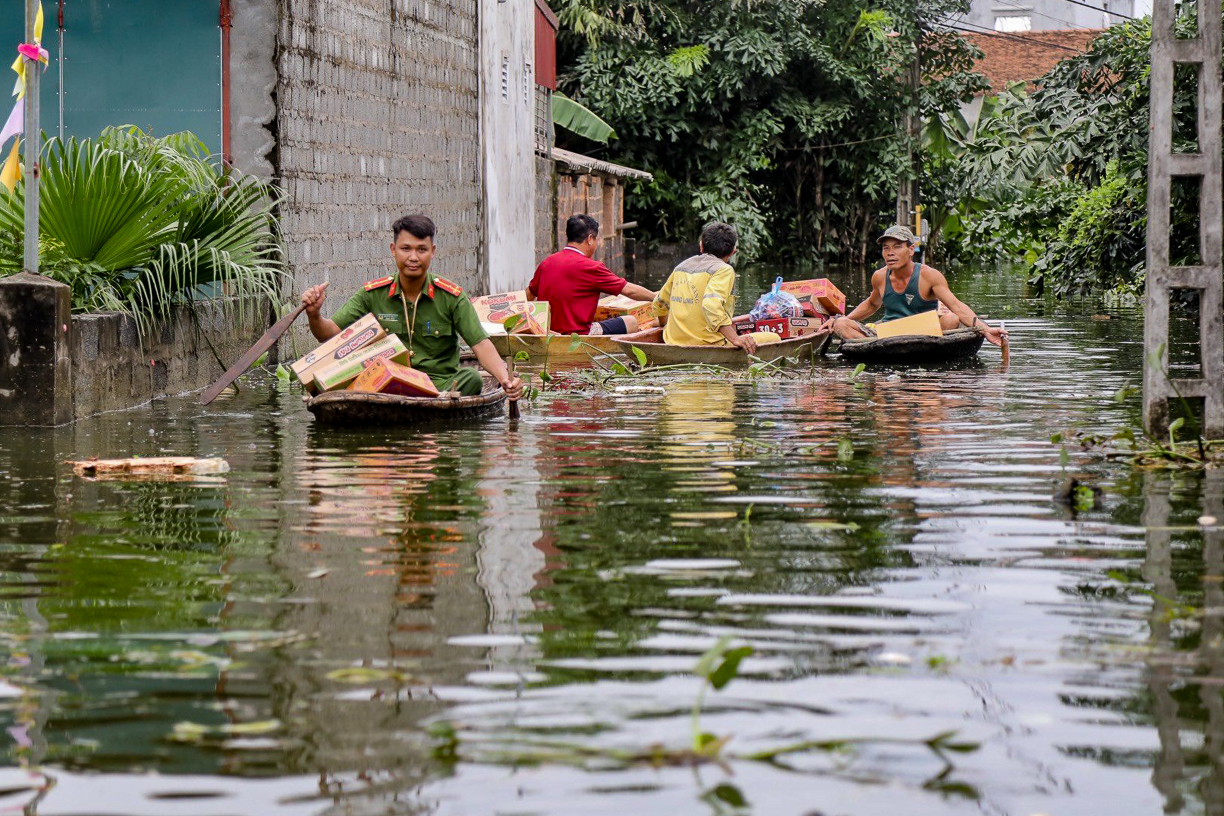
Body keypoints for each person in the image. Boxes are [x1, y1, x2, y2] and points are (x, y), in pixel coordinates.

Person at [299, 214, 523, 399]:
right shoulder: (372, 294)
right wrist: (314, 314)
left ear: (432, 251)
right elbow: (328, 336)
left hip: (438, 385)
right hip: (387, 384)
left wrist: (505, 379)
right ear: (393, 249)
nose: (413, 257)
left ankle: (433, 399)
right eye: (406, 248)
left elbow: (481, 345)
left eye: (421, 249)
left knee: (472, 379)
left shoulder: (452, 297)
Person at [820, 225, 1008, 346]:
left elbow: (956, 306)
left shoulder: (929, 276)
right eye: (886, 248)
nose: (890, 253)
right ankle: (880, 349)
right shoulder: (879, 276)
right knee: (842, 324)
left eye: (897, 246)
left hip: (924, 332)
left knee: (951, 319)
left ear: (911, 250)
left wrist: (986, 329)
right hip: (888, 333)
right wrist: (841, 319)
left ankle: (902, 350)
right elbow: (871, 304)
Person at [527, 214, 655, 335]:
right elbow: (629, 291)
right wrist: (656, 297)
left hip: (548, 333)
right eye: (596, 240)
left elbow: (528, 294)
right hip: (579, 335)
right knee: (631, 321)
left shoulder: (546, 263)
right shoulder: (593, 267)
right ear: (589, 239)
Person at [652, 221, 758, 354]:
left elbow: (659, 302)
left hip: (672, 342)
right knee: (773, 337)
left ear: (701, 246)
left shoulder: (681, 267)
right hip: (708, 344)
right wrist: (735, 338)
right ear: (733, 252)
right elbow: (711, 306)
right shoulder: (724, 270)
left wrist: (664, 326)